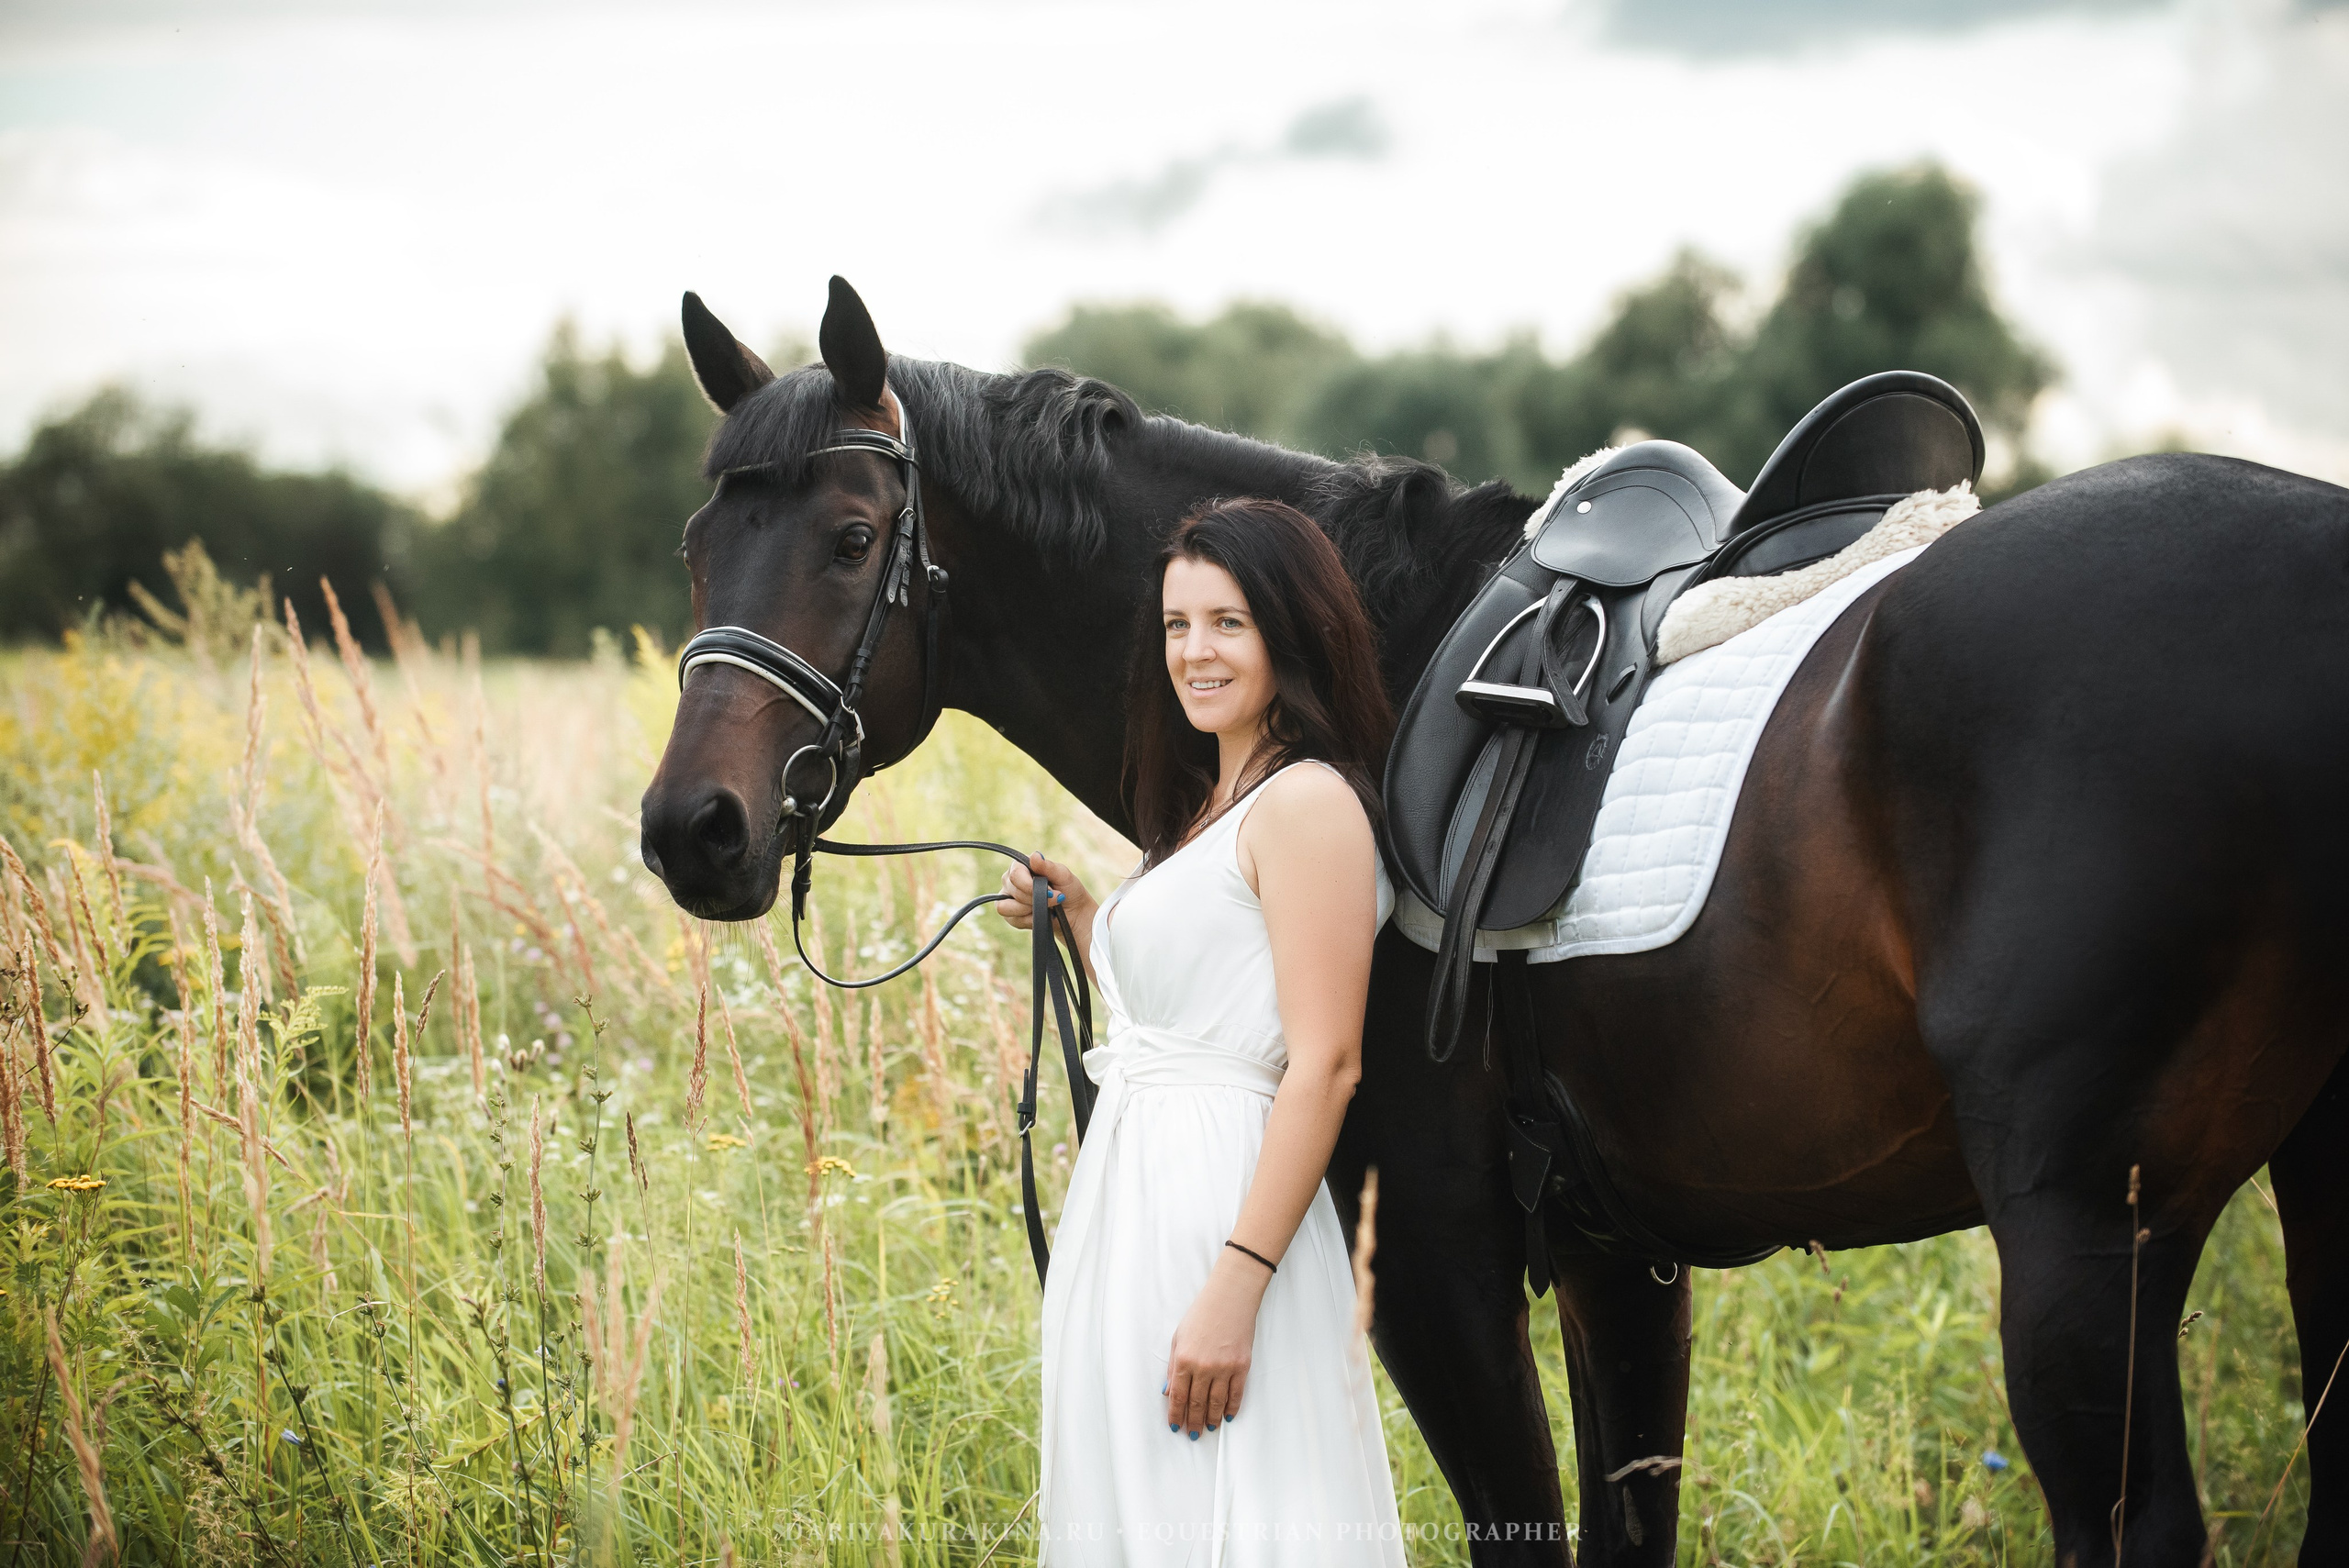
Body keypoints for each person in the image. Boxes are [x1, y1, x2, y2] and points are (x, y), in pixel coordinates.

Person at [995, 496, 1408, 1566]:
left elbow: (1322, 1060)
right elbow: (1193, 1009)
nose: (1195, 651)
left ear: (1291, 627)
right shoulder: (1209, 803)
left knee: (1242, 1515)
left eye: (1228, 621)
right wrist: (1089, 916)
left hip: (1221, 1217)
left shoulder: (1306, 803)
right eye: (1177, 624)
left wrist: (1236, 1281)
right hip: (1134, 1211)